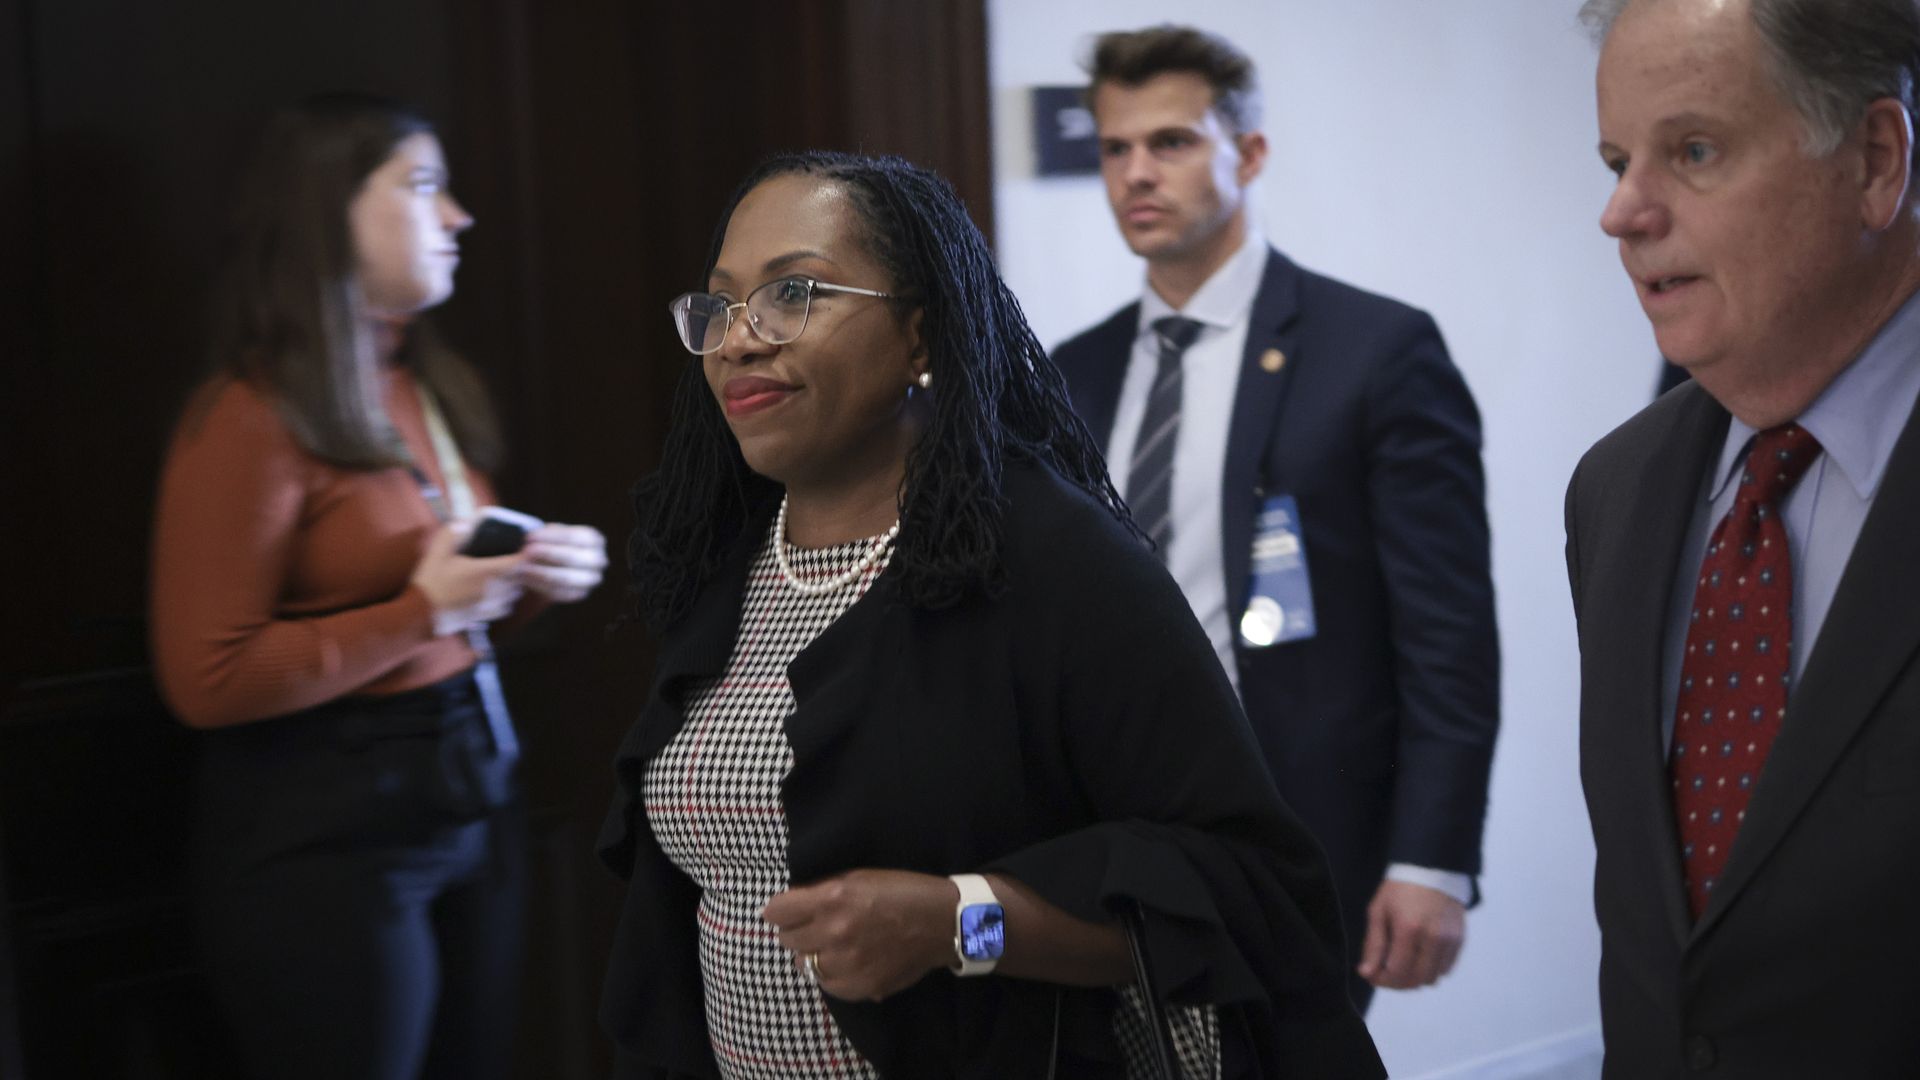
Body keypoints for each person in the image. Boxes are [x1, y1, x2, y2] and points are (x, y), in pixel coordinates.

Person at [597, 150, 1384, 1079]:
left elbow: (1252, 895)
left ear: (921, 336)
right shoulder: (727, 567)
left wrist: (964, 919)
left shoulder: (1050, 561)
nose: (739, 340)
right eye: (720, 307)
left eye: (794, 293)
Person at [149, 93, 607, 1080]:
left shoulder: (420, 385)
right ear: (329, 209)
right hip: (326, 831)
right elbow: (205, 675)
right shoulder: (249, 413)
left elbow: (450, 611)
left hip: (467, 793)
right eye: (425, 186)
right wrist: (425, 610)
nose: (458, 217)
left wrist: (529, 582)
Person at [1050, 25, 1500, 1011]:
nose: (1136, 173)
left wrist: (1432, 858)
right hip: (1103, 824)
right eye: (1115, 149)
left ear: (1248, 153)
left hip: (1296, 826)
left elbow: (1447, 630)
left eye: (1169, 142)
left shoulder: (1374, 352)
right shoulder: (1068, 373)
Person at [1566, 0, 1920, 1074]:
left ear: (1873, 161)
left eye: (1694, 150)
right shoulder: (1612, 494)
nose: (1623, 213)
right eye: (1619, 160)